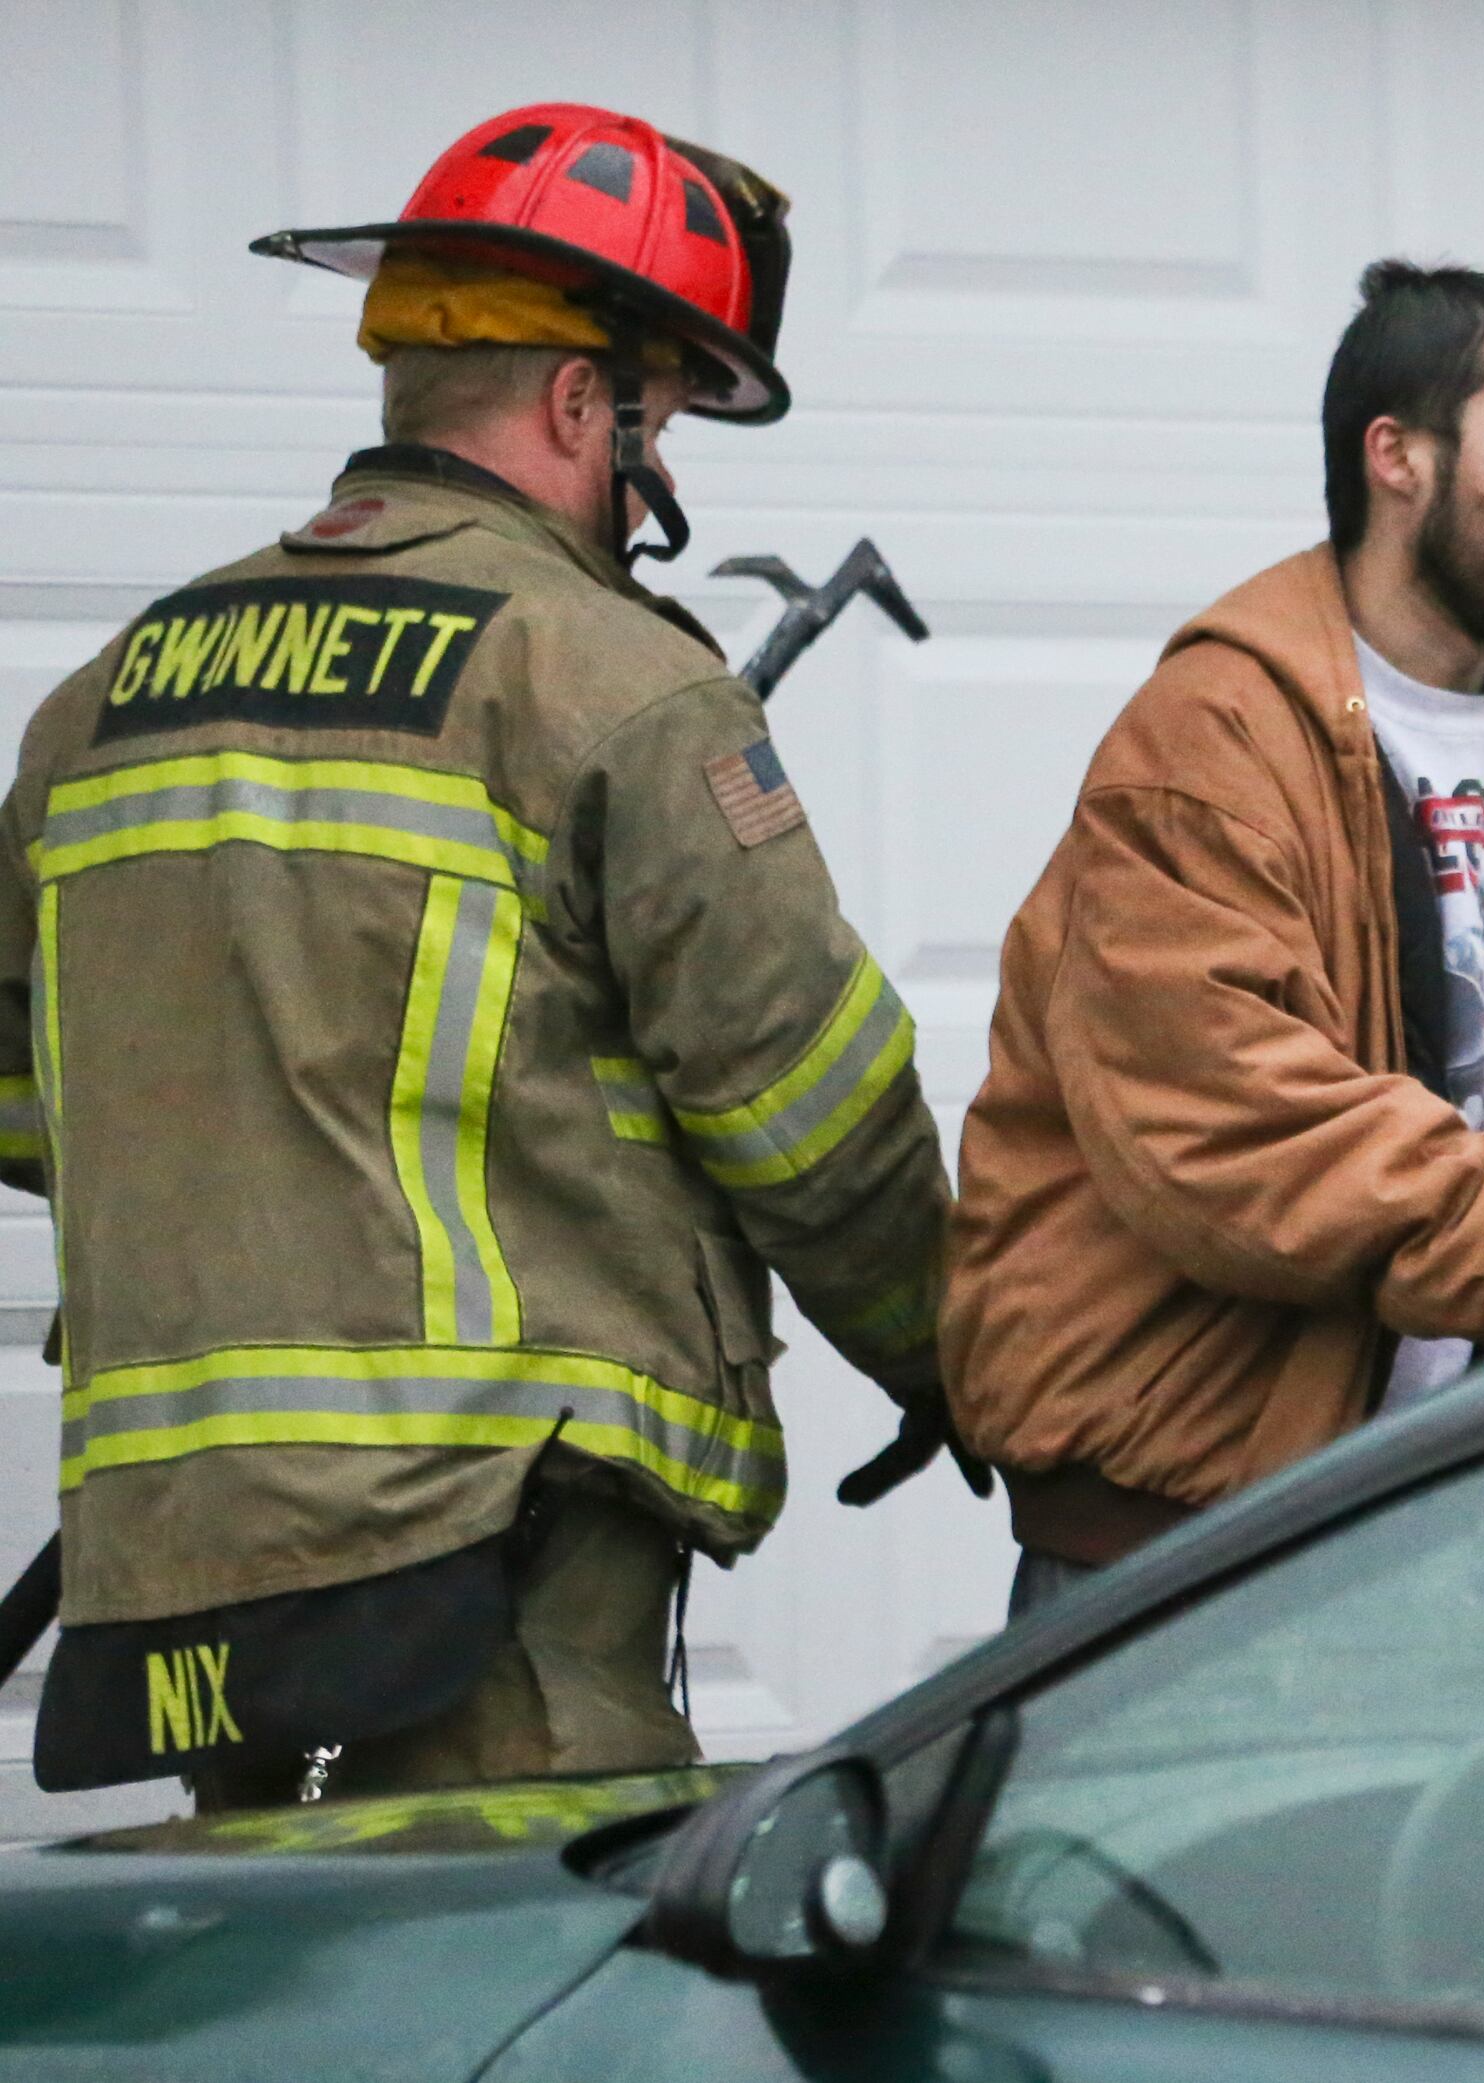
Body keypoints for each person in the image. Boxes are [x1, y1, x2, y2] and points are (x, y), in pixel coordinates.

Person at [0, 104, 960, 1811]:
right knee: (511, 1993)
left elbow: (26, 1096)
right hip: (491, 1545)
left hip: (182, 1560)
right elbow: (808, 1108)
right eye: (658, 416)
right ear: (585, 402)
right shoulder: (611, 682)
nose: (662, 467)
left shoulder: (103, 700)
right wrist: (952, 1352)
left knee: (259, 2011)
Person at [942, 261, 1484, 1618]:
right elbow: (1221, 1113)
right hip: (1185, 1544)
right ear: (1400, 455)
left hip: (1458, 1535)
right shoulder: (1211, 736)